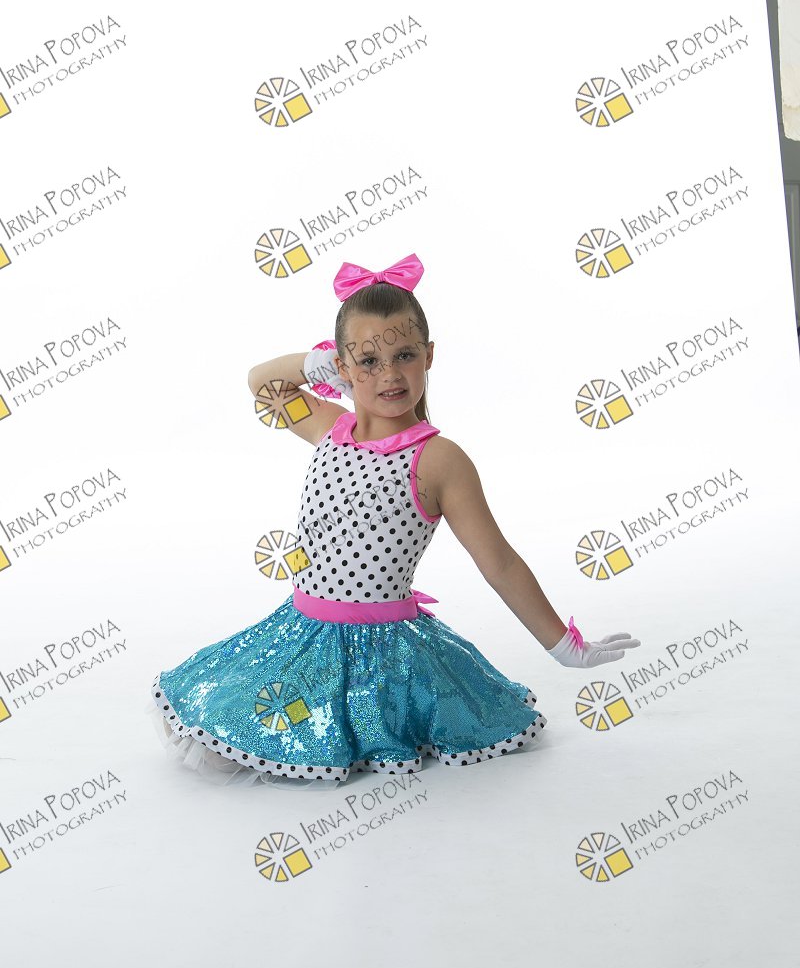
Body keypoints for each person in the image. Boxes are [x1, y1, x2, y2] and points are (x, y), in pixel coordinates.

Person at [146, 252, 640, 789]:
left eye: (404, 355)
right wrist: (317, 364)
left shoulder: (439, 459)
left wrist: (563, 646)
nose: (389, 374)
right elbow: (261, 382)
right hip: (303, 633)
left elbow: (498, 562)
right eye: (368, 361)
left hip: (385, 657)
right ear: (342, 368)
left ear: (429, 355)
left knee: (317, 738)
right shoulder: (328, 427)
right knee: (228, 725)